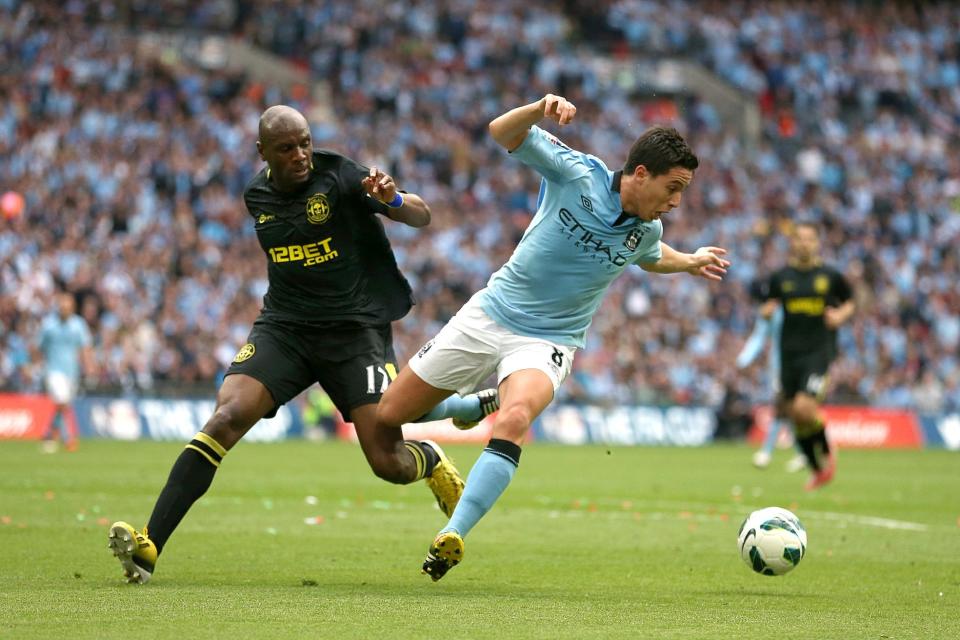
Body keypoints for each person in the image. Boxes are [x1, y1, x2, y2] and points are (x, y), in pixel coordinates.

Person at [108, 105, 499, 584]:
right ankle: (149, 546)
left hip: (355, 334)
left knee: (388, 464)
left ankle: (432, 459)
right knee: (226, 418)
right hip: (286, 328)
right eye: (287, 148)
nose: (300, 155)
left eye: (305, 143)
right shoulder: (257, 194)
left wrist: (394, 200)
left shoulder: (340, 178)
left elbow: (423, 215)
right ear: (263, 153)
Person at [374, 94, 731, 581]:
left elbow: (651, 255)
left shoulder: (646, 231)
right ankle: (467, 407)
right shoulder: (577, 173)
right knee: (389, 417)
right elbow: (501, 132)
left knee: (517, 415)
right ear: (641, 173)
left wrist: (689, 261)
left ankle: (452, 534)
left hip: (548, 341)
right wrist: (539, 108)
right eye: (674, 188)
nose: (676, 201)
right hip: (489, 314)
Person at [760, 221, 854, 491]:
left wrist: (841, 315)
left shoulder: (830, 276)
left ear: (817, 243)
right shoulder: (781, 277)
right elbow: (769, 303)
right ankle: (816, 469)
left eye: (809, 239)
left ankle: (827, 447)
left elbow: (850, 301)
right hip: (788, 353)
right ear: (793, 243)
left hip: (818, 351)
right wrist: (766, 310)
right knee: (794, 415)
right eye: (799, 239)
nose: (804, 244)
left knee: (804, 408)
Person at [737, 279, 806, 472]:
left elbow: (759, 338)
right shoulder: (771, 312)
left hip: (793, 364)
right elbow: (759, 337)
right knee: (785, 408)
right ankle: (801, 453)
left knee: (784, 407)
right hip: (780, 366)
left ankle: (768, 452)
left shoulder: (789, 310)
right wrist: (743, 359)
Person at [36, 292, 95, 452]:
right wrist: (35, 365)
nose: (64, 310)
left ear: (72, 308)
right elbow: (39, 347)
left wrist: (89, 366)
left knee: (64, 405)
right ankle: (68, 438)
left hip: (72, 372)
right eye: (62, 307)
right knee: (61, 401)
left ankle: (49, 432)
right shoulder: (49, 325)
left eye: (67, 308)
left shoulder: (78, 325)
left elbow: (85, 347)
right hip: (53, 371)